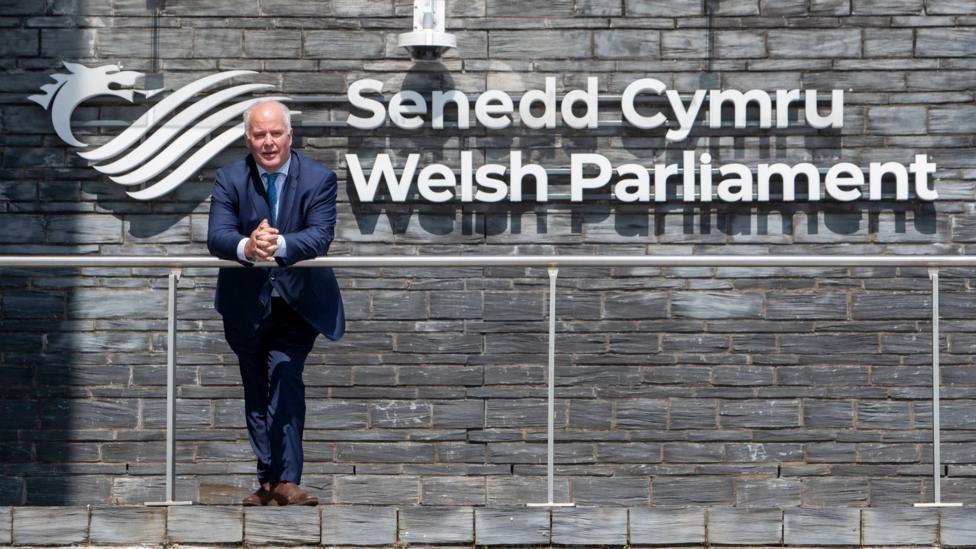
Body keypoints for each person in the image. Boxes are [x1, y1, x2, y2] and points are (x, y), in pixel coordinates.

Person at [207, 99, 344, 506]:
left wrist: (276, 244)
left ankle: (287, 480)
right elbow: (217, 236)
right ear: (248, 138)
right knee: (255, 387)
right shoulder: (229, 178)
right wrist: (247, 246)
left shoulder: (319, 178)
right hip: (246, 301)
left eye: (275, 133)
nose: (268, 142)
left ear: (290, 135)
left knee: (284, 376)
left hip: (297, 302)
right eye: (259, 134)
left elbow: (319, 236)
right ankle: (267, 480)